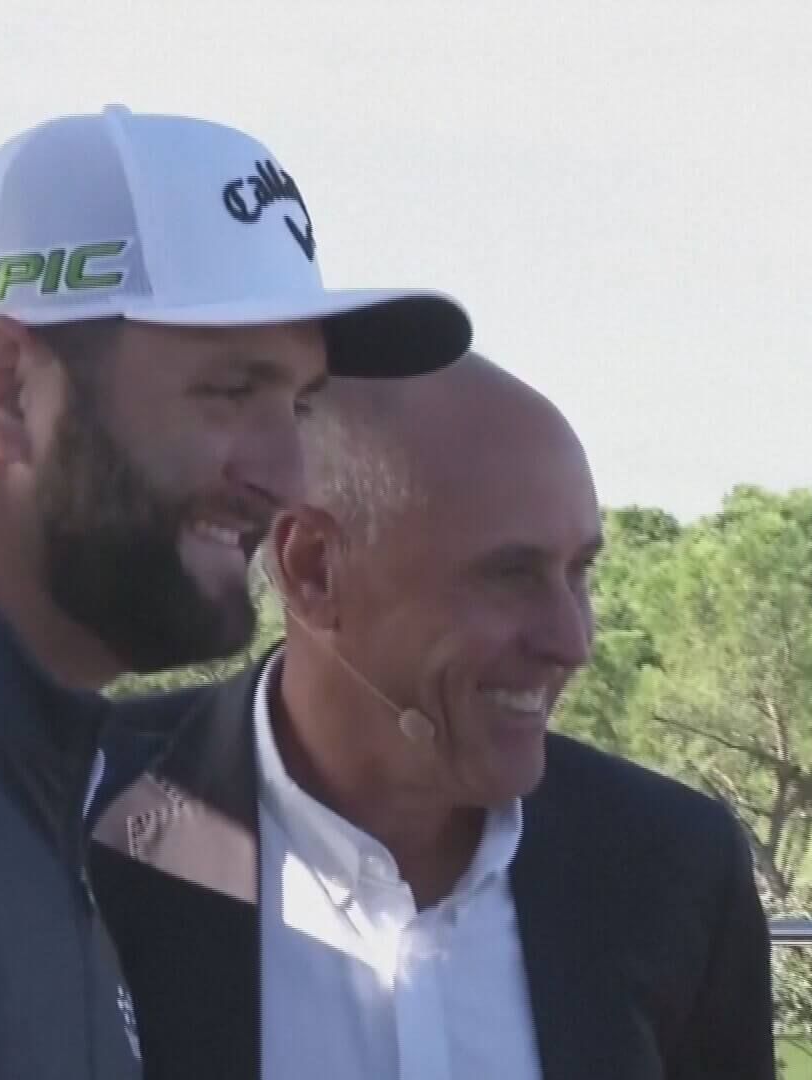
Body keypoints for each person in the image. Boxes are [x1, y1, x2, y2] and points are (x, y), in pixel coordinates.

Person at [0, 104, 474, 1080]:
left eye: (300, 405)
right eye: (232, 390)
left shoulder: (13, 771)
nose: (290, 477)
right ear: (8, 391)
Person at [90, 354, 777, 1079]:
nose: (572, 642)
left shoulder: (673, 865)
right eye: (510, 574)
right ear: (313, 567)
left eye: (579, 573)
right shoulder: (83, 819)